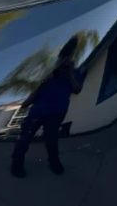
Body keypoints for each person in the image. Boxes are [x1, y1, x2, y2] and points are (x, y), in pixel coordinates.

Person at [10, 37, 85, 178]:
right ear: (59, 58)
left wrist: (69, 72)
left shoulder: (76, 72)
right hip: (37, 110)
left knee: (52, 139)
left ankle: (54, 161)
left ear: (72, 58)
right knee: (25, 137)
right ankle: (17, 162)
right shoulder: (50, 72)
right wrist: (27, 101)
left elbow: (77, 89)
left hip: (57, 112)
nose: (64, 60)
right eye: (62, 57)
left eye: (67, 57)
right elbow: (36, 90)